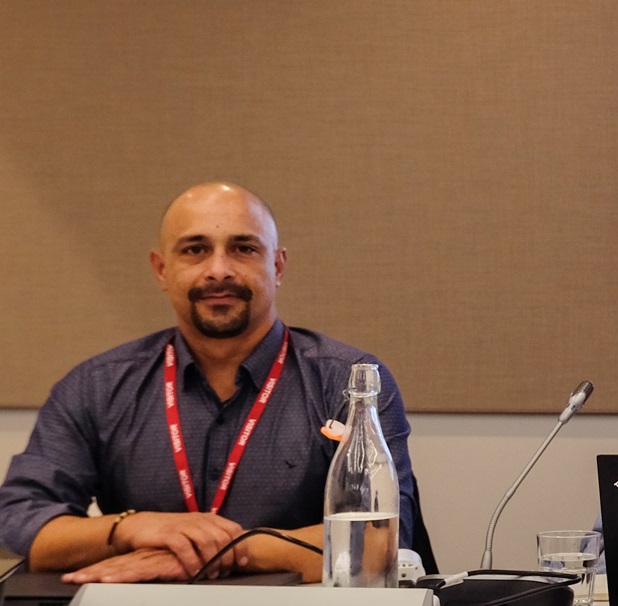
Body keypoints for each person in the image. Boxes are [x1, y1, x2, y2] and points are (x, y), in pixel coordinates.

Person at [0, 183, 420, 583]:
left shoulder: (350, 382)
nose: (219, 270)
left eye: (243, 248)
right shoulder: (95, 387)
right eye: (195, 250)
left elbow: (382, 542)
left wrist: (217, 551)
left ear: (277, 266)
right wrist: (131, 528)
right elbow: (18, 522)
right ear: (162, 269)